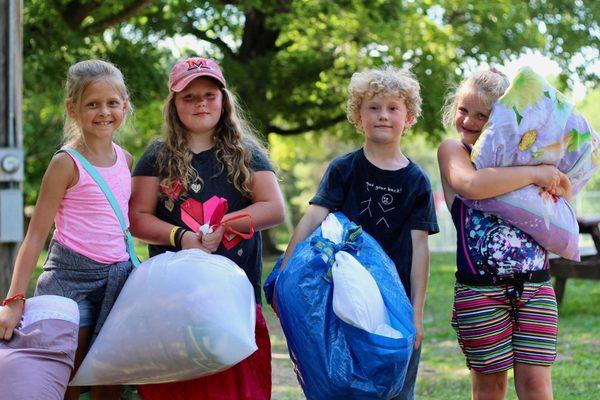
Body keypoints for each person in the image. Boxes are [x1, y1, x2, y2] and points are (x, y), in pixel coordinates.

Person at [278, 65, 439, 400]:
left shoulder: (417, 181)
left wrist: (416, 315)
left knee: (397, 387)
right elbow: (311, 220)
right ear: (357, 116)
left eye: (393, 108)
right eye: (373, 107)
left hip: (395, 303)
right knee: (343, 383)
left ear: (408, 118)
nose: (383, 115)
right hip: (345, 299)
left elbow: (420, 250)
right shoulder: (344, 169)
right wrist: (284, 273)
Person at [130, 56, 285, 400]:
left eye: (209, 95)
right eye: (189, 96)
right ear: (174, 105)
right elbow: (137, 217)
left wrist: (226, 226)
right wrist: (181, 237)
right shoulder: (156, 155)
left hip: (235, 299)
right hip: (173, 301)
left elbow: (274, 209)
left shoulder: (248, 152)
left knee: (237, 389)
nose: (200, 103)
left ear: (224, 101)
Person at [0, 59, 134, 400]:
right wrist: (15, 300)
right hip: (68, 281)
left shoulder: (127, 160)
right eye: (92, 104)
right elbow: (34, 238)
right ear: (73, 109)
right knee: (63, 376)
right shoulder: (65, 163)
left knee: (108, 380)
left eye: (112, 103)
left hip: (116, 279)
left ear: (125, 106)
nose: (103, 112)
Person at [437, 69, 571, 400]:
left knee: (537, 386)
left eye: (482, 115)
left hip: (536, 287)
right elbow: (472, 186)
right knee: (490, 386)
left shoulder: (530, 155)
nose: (468, 120)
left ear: (501, 121)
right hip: (480, 292)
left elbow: (565, 192)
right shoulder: (454, 152)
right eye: (463, 109)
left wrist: (547, 175)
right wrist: (536, 174)